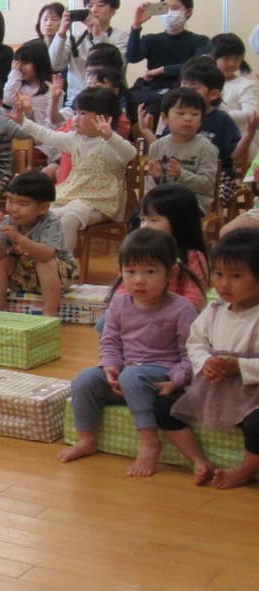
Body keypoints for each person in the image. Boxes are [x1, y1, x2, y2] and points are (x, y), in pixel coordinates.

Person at [59, 229, 197, 477]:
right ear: (120, 272)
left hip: (160, 378)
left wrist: (176, 380)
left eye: (150, 272)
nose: (139, 280)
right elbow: (110, 341)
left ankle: (149, 443)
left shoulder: (182, 310)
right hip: (126, 375)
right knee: (84, 380)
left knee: (132, 376)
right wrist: (110, 366)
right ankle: (87, 439)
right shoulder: (119, 303)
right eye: (131, 272)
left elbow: (192, 355)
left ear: (171, 273)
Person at [155, 230, 259, 488]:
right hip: (214, 387)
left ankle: (246, 469)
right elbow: (195, 343)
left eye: (236, 276)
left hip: (253, 392)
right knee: (164, 406)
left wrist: (240, 367)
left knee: (257, 424)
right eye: (218, 274)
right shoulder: (214, 310)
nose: (224, 284)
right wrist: (205, 363)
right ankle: (199, 460)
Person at [16, 87, 137, 252]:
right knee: (42, 211)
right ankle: (35, 256)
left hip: (101, 201)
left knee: (70, 218)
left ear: (104, 118)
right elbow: (48, 135)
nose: (76, 118)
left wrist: (110, 136)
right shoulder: (76, 139)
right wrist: (23, 121)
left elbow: (130, 153)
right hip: (72, 193)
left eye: (83, 113)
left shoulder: (110, 144)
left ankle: (64, 262)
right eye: (75, 113)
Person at [0, 170, 77, 317]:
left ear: (43, 208)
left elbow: (47, 255)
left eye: (22, 203)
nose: (13, 208)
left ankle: (50, 314)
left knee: (45, 264)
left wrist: (19, 238)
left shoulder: (50, 222)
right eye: (10, 201)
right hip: (24, 278)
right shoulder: (8, 221)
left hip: (59, 276)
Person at [126, 0, 210, 122]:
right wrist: (136, 26)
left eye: (175, 8)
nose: (169, 13)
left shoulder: (201, 41)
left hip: (183, 89)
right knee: (127, 102)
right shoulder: (152, 40)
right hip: (154, 89)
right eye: (165, 8)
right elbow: (132, 57)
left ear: (188, 11)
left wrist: (162, 70)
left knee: (155, 110)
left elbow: (198, 66)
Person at [50, 0, 129, 108]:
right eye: (89, 6)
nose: (94, 10)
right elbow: (54, 64)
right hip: (76, 101)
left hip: (108, 100)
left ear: (113, 10)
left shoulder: (121, 36)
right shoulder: (75, 38)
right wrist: (61, 32)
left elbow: (116, 64)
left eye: (101, 5)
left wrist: (98, 34)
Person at [138, 184, 210, 312]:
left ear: (179, 223)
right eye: (142, 220)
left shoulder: (192, 257)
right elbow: (122, 287)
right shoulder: (137, 252)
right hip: (139, 311)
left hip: (175, 317)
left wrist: (162, 314)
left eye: (154, 220)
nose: (145, 226)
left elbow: (195, 300)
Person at [146, 88, 218, 204]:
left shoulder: (207, 148)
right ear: (164, 118)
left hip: (194, 204)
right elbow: (150, 187)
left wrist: (181, 174)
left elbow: (207, 185)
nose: (188, 118)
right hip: (163, 204)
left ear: (201, 120)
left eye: (195, 114)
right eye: (181, 113)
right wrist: (157, 178)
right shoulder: (157, 147)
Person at [4, 40, 56, 128]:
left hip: (38, 134)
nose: (20, 67)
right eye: (18, 63)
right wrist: (15, 73)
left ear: (39, 63)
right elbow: (7, 100)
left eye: (25, 63)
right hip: (14, 133)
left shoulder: (52, 90)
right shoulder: (17, 83)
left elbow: (50, 127)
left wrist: (29, 112)